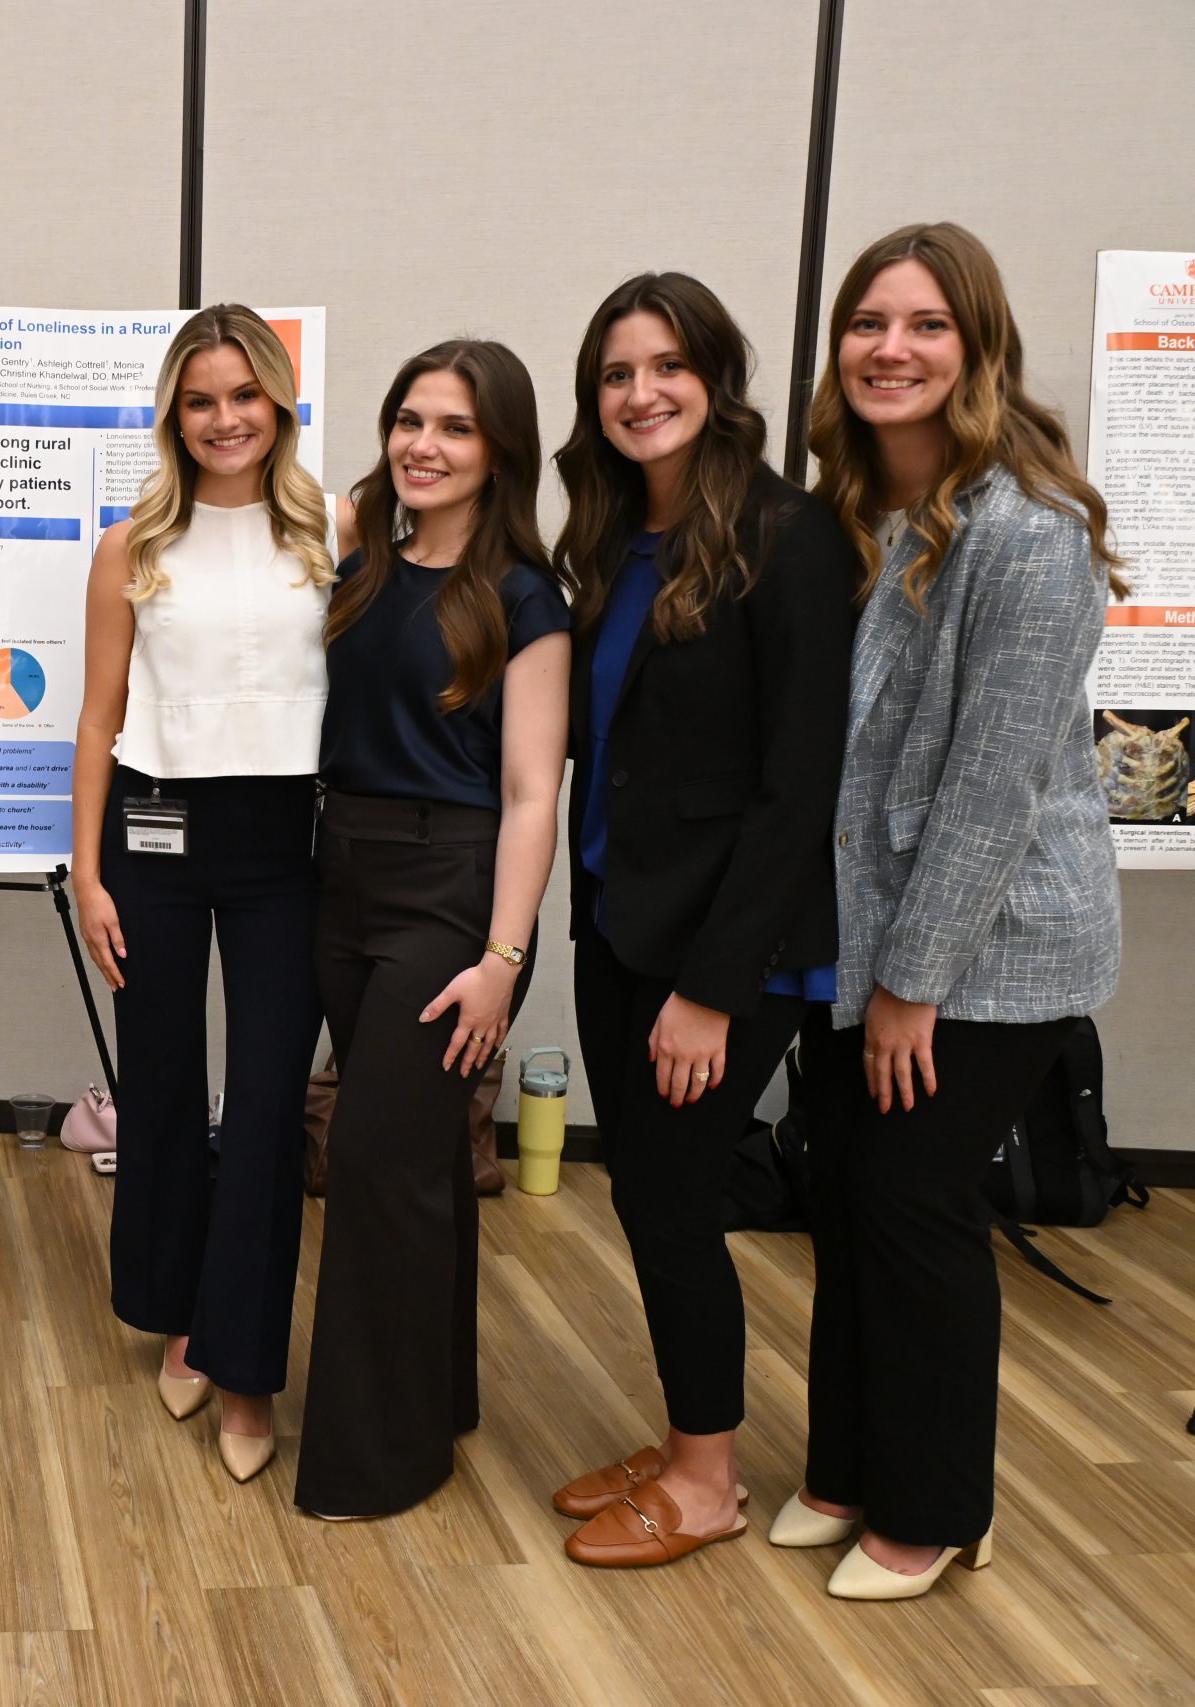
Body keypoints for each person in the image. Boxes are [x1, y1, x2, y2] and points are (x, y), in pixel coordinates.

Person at [785, 223, 1123, 1600]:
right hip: (875, 934)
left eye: (926, 325)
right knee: (852, 1189)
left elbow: (988, 793)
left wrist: (912, 983)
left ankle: (935, 1503)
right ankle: (849, 1463)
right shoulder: (858, 515)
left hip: (994, 944)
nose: (892, 348)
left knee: (917, 1198)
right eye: (870, 322)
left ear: (978, 348)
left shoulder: (1027, 535)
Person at [543, 273, 857, 1569]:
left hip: (730, 953)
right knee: (647, 1196)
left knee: (672, 1202)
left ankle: (710, 1479)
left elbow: (800, 789)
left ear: (718, 378)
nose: (640, 392)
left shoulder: (791, 537)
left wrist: (718, 987)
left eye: (666, 364)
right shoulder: (619, 540)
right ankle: (685, 1435)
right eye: (617, 373)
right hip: (626, 923)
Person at [293, 340, 570, 1520]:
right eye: (409, 419)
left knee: (368, 1159)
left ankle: (379, 1456)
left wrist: (502, 959)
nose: (423, 444)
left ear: (499, 448)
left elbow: (530, 795)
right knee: (419, 1172)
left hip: (446, 888)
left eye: (454, 427)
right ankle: (435, 1397)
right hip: (337, 871)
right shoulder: (361, 558)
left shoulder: (523, 597)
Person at [71, 305, 333, 1484]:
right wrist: (85, 873)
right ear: (173, 416)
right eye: (199, 400)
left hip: (289, 842)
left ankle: (243, 1366)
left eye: (243, 396)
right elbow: (97, 715)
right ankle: (181, 1309)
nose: (224, 420)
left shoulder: (338, 532)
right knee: (165, 1087)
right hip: (154, 837)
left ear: (278, 402)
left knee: (270, 1102)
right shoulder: (130, 547)